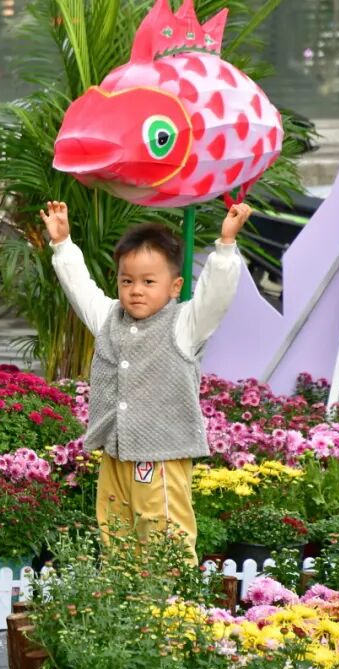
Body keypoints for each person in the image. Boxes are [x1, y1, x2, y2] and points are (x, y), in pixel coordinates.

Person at [40, 201, 254, 563]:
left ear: (175, 286)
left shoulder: (185, 325)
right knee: (114, 529)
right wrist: (62, 245)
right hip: (116, 452)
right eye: (127, 281)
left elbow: (214, 297)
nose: (136, 290)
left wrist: (226, 246)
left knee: (165, 532)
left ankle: (174, 595)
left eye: (148, 282)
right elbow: (81, 290)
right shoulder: (109, 318)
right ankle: (122, 591)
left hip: (161, 456)